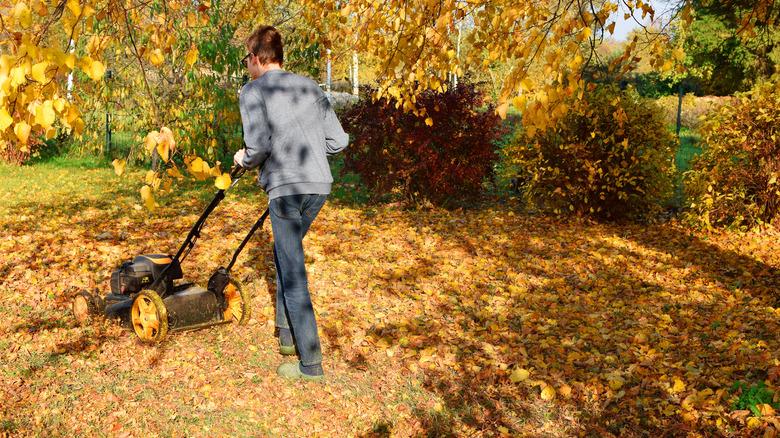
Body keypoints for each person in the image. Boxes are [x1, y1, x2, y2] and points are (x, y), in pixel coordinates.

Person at [233, 25, 349, 381]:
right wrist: (313, 153)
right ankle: (286, 335)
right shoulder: (309, 86)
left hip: (286, 190)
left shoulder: (252, 91)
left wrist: (242, 160)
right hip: (319, 186)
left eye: (246, 59)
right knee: (286, 255)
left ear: (255, 57)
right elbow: (339, 140)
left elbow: (259, 148)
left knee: (293, 272)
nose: (247, 66)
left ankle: (311, 365)